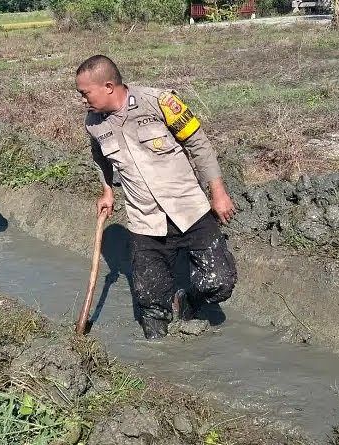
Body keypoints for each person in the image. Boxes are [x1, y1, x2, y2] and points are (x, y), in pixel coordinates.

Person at [75, 55, 238, 340]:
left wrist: (218, 192)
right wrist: (107, 190)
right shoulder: (93, 123)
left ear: (109, 86)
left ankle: (188, 302)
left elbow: (198, 143)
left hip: (190, 209)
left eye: (85, 92)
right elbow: (100, 158)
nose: (83, 99)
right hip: (145, 221)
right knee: (150, 306)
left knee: (219, 281)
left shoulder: (159, 102)